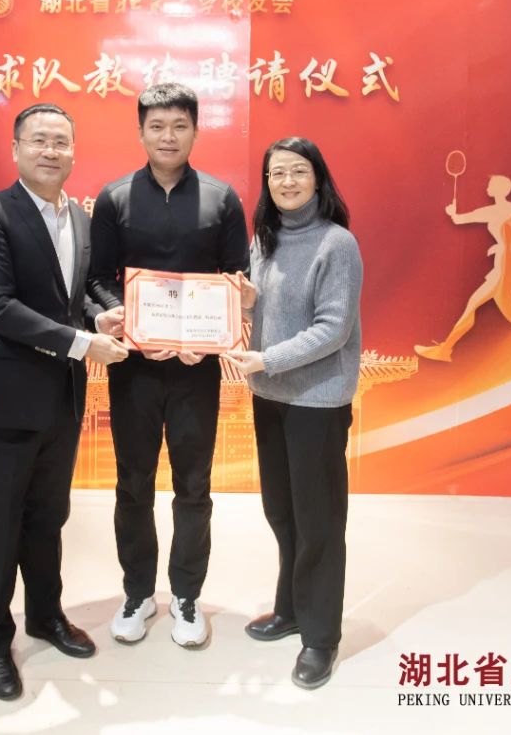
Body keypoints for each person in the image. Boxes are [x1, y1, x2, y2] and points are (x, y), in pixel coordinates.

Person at [0, 103, 129, 701]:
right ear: (16, 149)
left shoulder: (79, 218)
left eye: (61, 141)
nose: (50, 150)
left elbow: (70, 295)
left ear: (74, 151)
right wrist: (83, 343)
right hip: (8, 399)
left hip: (62, 398)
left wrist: (96, 316)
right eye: (38, 140)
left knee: (49, 516)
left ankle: (45, 615)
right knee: (2, 524)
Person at [88, 83, 249, 648]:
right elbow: (97, 280)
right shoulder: (114, 198)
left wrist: (210, 336)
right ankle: (137, 593)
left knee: (194, 484)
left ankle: (186, 596)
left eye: (179, 125)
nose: (168, 136)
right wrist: (127, 324)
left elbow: (235, 278)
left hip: (196, 368)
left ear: (196, 131)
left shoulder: (222, 199)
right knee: (133, 482)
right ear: (140, 132)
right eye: (157, 126)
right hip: (134, 366)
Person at [222, 136, 362, 690]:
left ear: (318, 178)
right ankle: (291, 609)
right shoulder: (266, 239)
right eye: (276, 172)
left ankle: (321, 637)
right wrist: (248, 304)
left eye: (298, 171)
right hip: (271, 396)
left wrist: (267, 359)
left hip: (317, 401)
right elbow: (273, 308)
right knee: (282, 512)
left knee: (319, 521)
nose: (287, 181)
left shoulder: (337, 243)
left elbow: (334, 328)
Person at [413, 174, 511, 365]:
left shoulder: (503, 211)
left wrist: (506, 245)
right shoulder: (505, 210)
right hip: (506, 260)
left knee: (473, 305)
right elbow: (461, 220)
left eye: (490, 185)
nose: (487, 188)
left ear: (498, 189)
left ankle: (445, 349)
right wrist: (501, 243)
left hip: (507, 263)